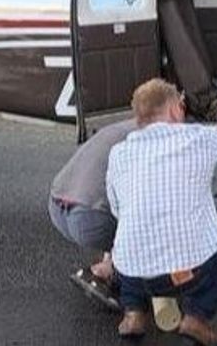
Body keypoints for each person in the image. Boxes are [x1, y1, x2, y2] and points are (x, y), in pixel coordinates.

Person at [107, 79, 217, 345]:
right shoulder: (197, 137)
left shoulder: (119, 152)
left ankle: (133, 312)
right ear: (174, 110)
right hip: (184, 275)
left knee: (131, 241)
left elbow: (117, 210)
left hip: (132, 274)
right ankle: (196, 315)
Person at [48, 118, 136, 310]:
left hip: (57, 205)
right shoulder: (155, 138)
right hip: (88, 219)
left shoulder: (120, 127)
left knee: (113, 196)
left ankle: (108, 264)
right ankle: (121, 278)